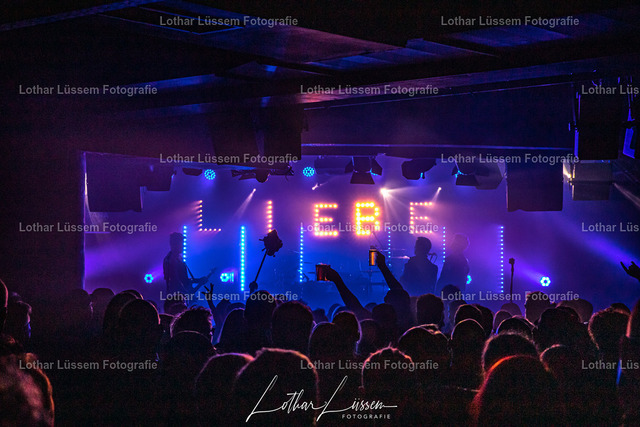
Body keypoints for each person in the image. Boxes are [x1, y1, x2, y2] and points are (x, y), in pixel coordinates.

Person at [163, 232, 210, 296]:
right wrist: (186, 292)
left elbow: (183, 279)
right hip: (176, 297)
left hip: (180, 295)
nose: (183, 245)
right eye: (181, 243)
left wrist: (198, 280)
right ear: (174, 244)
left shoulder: (178, 258)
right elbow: (175, 281)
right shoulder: (170, 260)